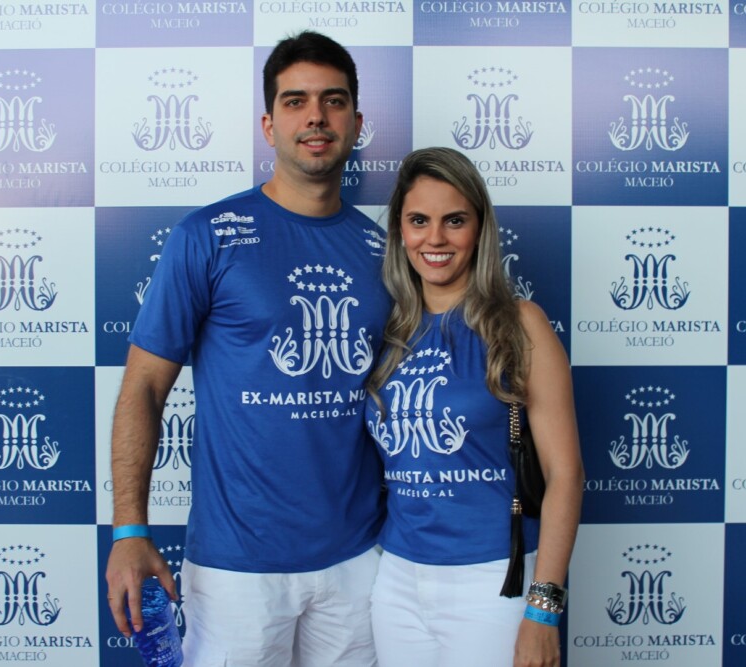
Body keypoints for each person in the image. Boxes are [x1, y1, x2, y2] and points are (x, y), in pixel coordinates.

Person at [105, 31, 390, 667]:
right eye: (295, 101)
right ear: (268, 125)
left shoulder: (382, 251)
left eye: (333, 100)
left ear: (356, 122)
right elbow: (143, 387)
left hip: (358, 560)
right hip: (237, 569)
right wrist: (129, 530)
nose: (315, 117)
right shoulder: (207, 236)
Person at [364, 147, 584, 667]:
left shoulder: (519, 323)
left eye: (455, 221)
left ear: (480, 229)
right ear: (400, 231)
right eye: (419, 221)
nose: (435, 239)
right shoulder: (387, 331)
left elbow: (566, 475)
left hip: (492, 581)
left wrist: (544, 609)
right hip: (396, 579)